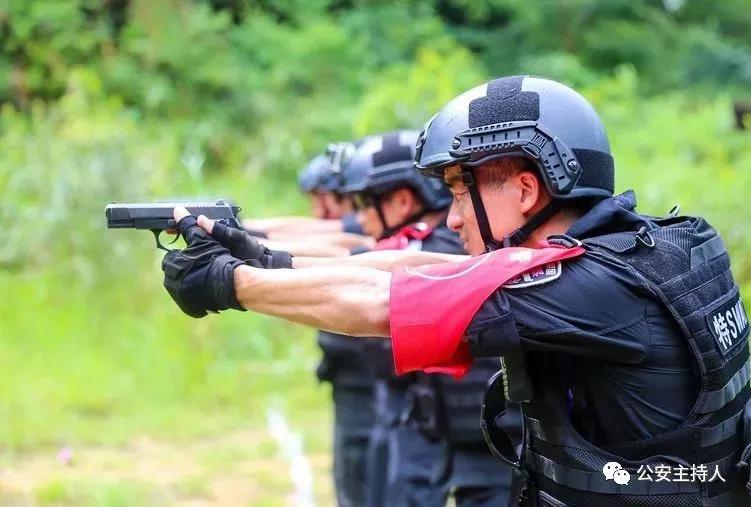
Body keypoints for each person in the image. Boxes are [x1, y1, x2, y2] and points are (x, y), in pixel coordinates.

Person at [159, 75, 751, 506]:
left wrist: (229, 284)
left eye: (462, 191)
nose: (452, 219)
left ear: (526, 191)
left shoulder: (587, 288)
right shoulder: (652, 251)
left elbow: (379, 304)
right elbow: (423, 270)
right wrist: (268, 260)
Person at [338, 130, 512, 506]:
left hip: (487, 451)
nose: (359, 217)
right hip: (444, 435)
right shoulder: (425, 246)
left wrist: (251, 276)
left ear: (402, 201)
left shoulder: (449, 252)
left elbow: (375, 283)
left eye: (366, 204)